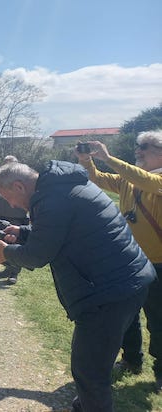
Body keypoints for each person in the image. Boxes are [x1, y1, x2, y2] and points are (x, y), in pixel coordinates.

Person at [0, 160, 155, 412]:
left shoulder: (51, 200)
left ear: (20, 186)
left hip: (107, 291)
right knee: (104, 352)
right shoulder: (62, 186)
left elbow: (37, 255)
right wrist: (23, 232)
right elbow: (59, 231)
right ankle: (93, 397)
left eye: (9, 198)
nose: (11, 205)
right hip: (130, 278)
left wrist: (7, 253)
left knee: (88, 371)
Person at [75, 130, 162, 388]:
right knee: (127, 315)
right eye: (138, 145)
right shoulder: (129, 180)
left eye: (145, 146)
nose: (138, 150)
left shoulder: (153, 180)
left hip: (159, 263)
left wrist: (109, 158)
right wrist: (86, 160)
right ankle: (132, 359)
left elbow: (148, 182)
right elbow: (95, 179)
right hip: (131, 261)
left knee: (158, 319)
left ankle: (161, 370)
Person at [0, 155, 29, 285]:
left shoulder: (22, 183)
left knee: (14, 247)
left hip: (17, 220)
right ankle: (7, 268)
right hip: (0, 218)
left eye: (11, 165)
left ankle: (14, 273)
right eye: (6, 165)